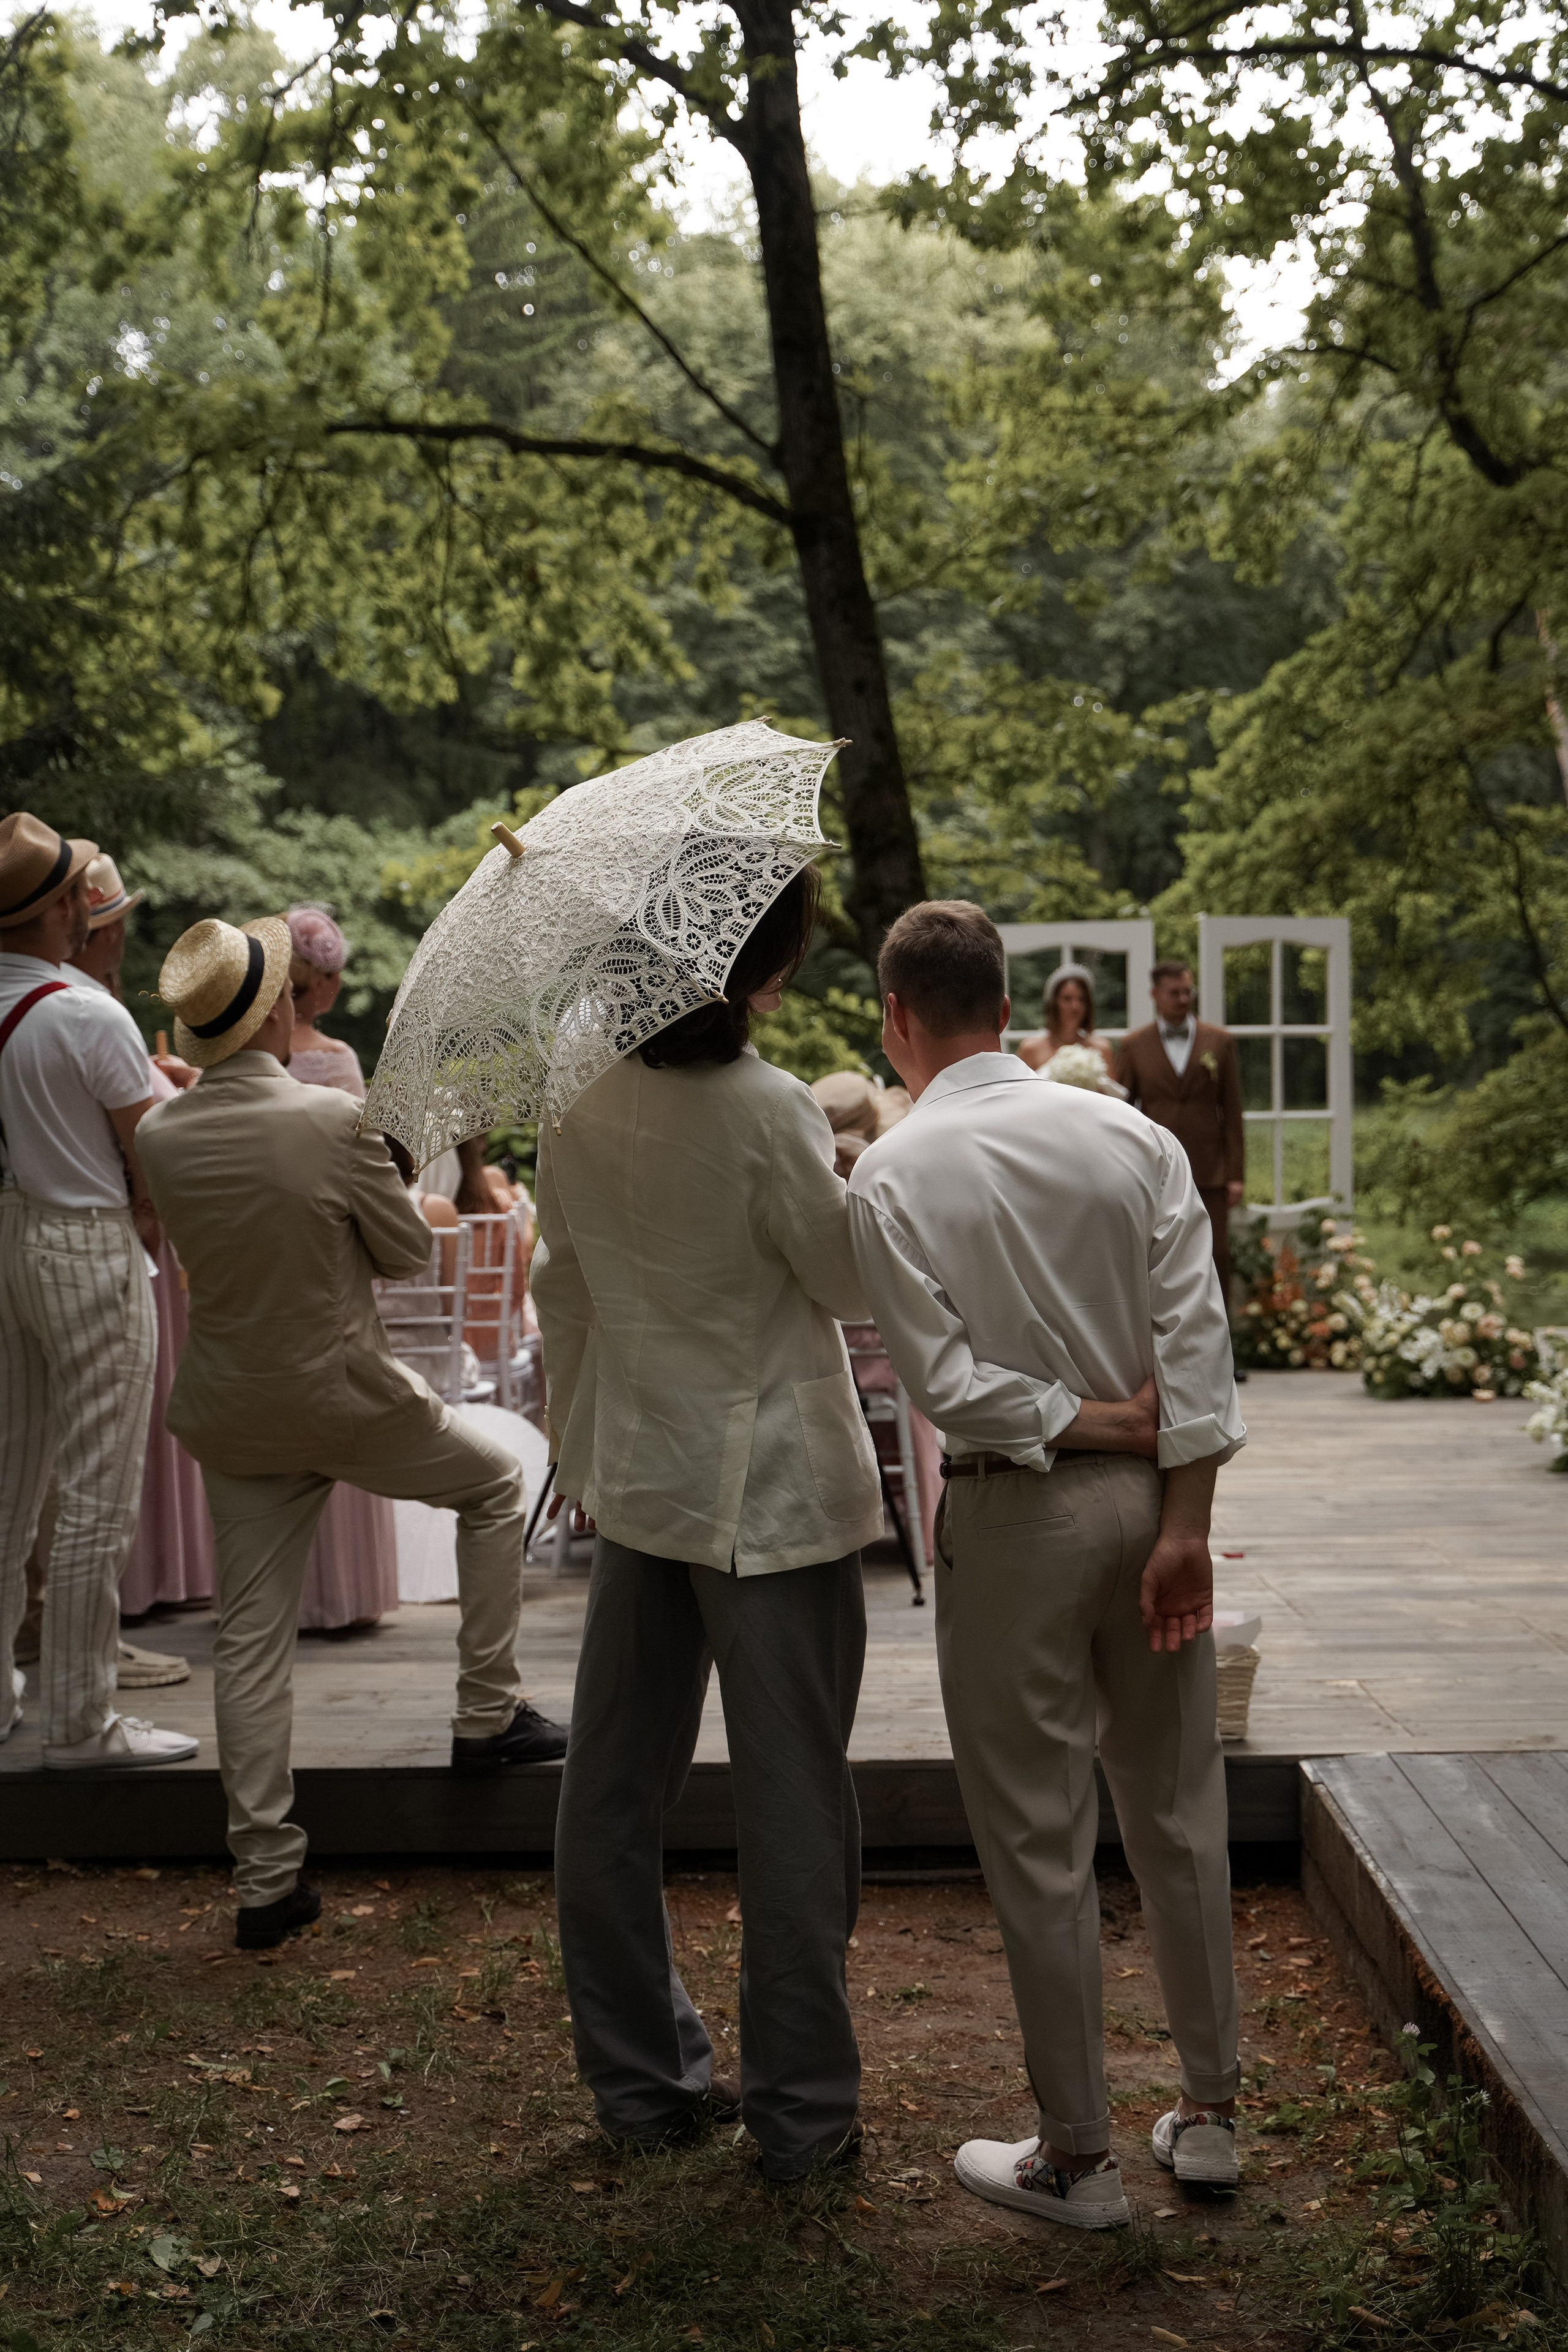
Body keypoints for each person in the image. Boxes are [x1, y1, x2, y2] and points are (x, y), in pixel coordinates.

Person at [846, 900, 1246, 2230]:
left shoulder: (892, 1175)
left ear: (898, 1017)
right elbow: (1196, 1338)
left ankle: (1076, 2160)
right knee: (1178, 1808)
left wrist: (1077, 1423)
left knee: (1035, 1834)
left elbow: (949, 1387)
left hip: (1013, 1521)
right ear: (1006, 1008)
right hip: (1152, 1508)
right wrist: (1181, 1514)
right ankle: (1209, 2115)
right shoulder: (1126, 1135)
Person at [533, 864, 882, 2183]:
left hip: (638, 1479)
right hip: (771, 1496)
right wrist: (852, 1173)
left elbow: (556, 1291)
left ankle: (638, 2085)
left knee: (610, 1791)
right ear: (752, 972)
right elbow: (846, 1284)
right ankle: (799, 2120)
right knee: (793, 1809)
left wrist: (575, 1440)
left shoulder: (577, 1098)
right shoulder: (770, 1110)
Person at [136, 914, 567, 1950]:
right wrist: (387, 1161)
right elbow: (407, 1255)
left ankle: (266, 1882)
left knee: (248, 1644)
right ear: (283, 1010)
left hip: (236, 1407)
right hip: (343, 1393)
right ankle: (485, 1713)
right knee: (496, 1489)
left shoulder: (161, 1133)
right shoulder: (332, 1120)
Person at [0, 813, 197, 1768]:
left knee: (9, 1482)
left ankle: (2, 1695)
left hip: (4, 1236)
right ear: (63, 909)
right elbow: (147, 1150)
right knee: (95, 1489)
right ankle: (79, 1719)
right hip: (82, 1242)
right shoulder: (86, 1010)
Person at [282, 906, 398, 1634]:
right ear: (320, 984)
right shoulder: (336, 1063)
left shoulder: (229, 1068)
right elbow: (363, 1170)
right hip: (328, 1259)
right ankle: (343, 1593)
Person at [1115, 959, 1245, 1303]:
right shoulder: (1134, 1045)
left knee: (1216, 1254)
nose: (1183, 999)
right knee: (1160, 1259)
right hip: (1156, 1169)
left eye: (1188, 991)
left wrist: (1235, 1174)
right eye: (1174, 993)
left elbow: (1232, 1111)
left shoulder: (1220, 1041)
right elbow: (1122, 1111)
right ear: (1155, 995)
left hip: (1211, 1167)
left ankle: (1222, 1340)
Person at [1017, 961, 1118, 1083]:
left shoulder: (1102, 1048)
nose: (1075, 1006)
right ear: (1054, 1003)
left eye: (1081, 999)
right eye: (1067, 999)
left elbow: (1113, 1097)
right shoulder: (1031, 1048)